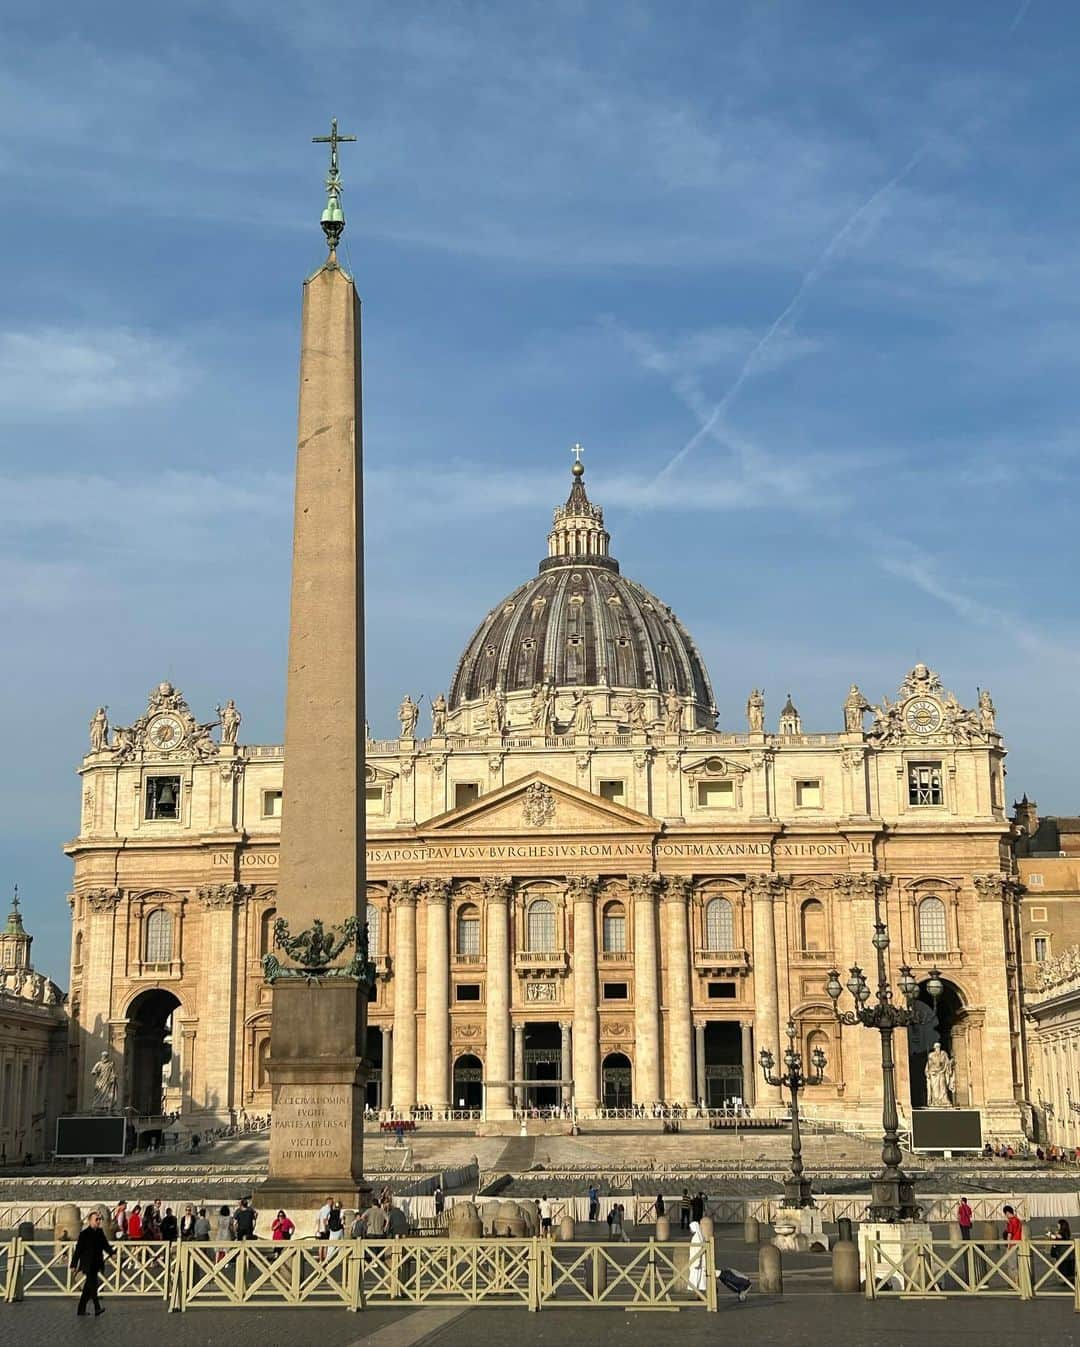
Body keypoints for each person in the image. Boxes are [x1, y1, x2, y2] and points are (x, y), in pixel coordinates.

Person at [72, 1210, 114, 1317]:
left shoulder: (100, 1232)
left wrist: (112, 1253)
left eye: (99, 1219)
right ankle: (97, 1307)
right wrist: (73, 1264)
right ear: (90, 1221)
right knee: (93, 1285)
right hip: (87, 1264)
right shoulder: (84, 1234)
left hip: (96, 1263)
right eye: (96, 1219)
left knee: (87, 1288)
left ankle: (81, 1310)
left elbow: (105, 1244)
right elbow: (78, 1250)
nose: (99, 1221)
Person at [1051, 1219, 1076, 1284]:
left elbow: (1059, 1236)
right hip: (1067, 1253)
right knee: (1067, 1268)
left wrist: (1050, 1234)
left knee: (1063, 1267)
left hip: (1062, 1253)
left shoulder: (1062, 1233)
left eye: (1058, 1224)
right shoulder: (1066, 1232)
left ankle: (1066, 1280)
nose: (1057, 1225)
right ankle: (1068, 1280)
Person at [687, 1220, 708, 1294]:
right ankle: (698, 1293)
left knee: (696, 1277)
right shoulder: (699, 1236)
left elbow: (699, 1250)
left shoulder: (696, 1238)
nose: (690, 1230)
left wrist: (696, 1261)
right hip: (697, 1260)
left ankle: (697, 1294)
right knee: (698, 1277)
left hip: (696, 1261)